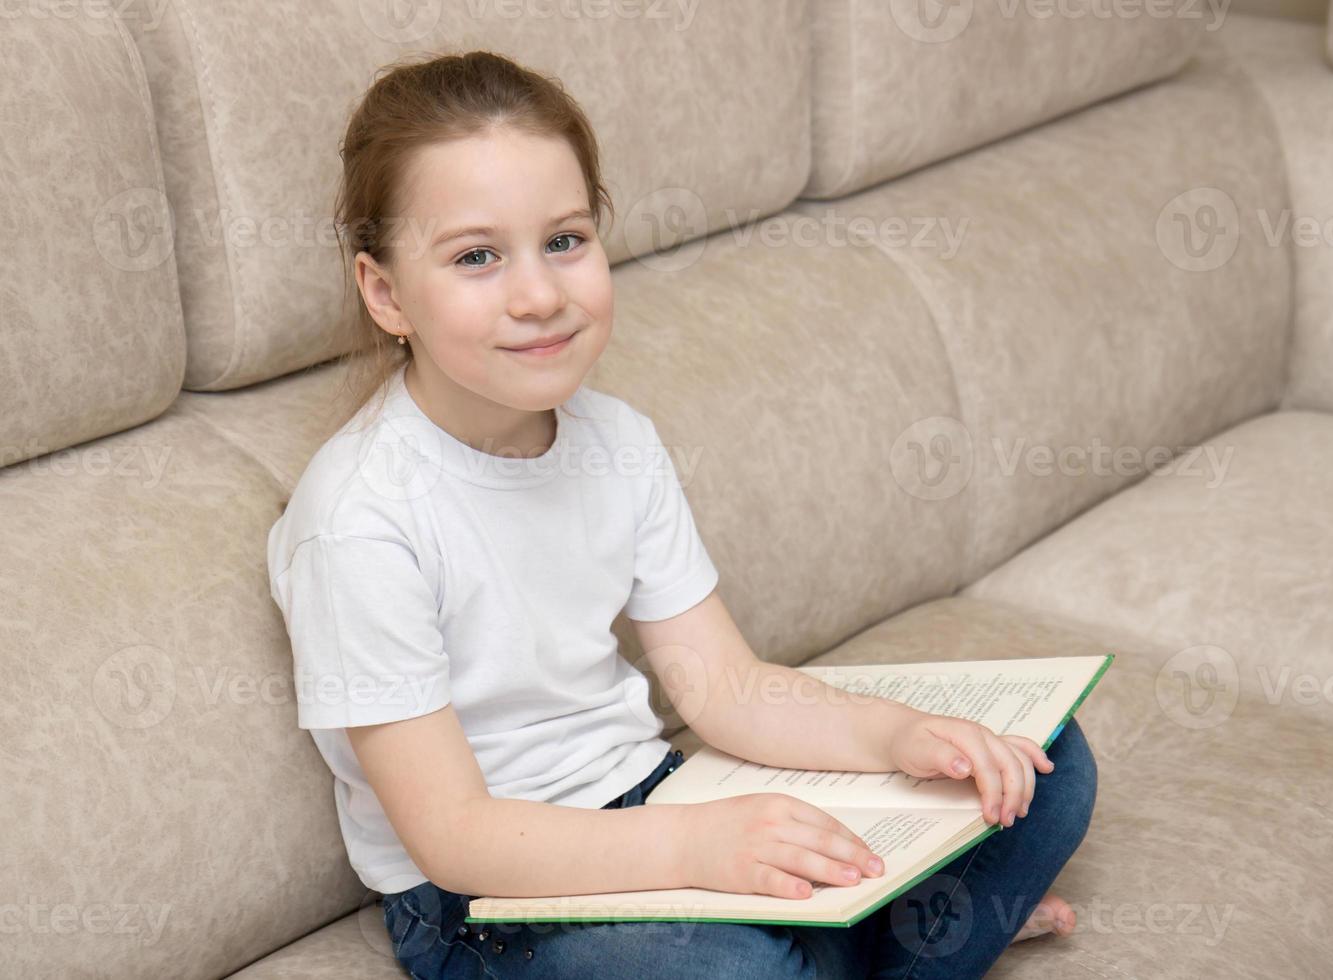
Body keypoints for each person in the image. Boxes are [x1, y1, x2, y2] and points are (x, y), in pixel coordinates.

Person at [266, 48, 1097, 980]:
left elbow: (726, 691)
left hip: (656, 798)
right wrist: (694, 852)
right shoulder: (360, 520)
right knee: (725, 970)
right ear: (385, 293)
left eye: (566, 240)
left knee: (1044, 770)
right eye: (476, 257)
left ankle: (885, 931)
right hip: (489, 900)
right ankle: (917, 936)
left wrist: (895, 737)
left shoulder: (616, 440)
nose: (539, 294)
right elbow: (456, 836)